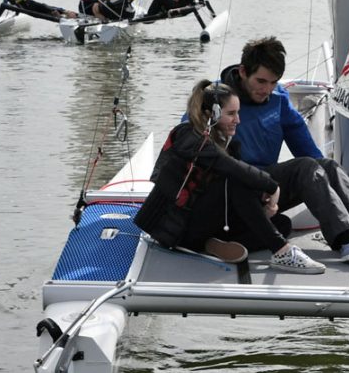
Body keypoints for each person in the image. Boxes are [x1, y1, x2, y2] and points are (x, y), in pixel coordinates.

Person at [220, 36, 349, 262]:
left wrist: (325, 177)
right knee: (305, 168)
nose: (267, 89)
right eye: (261, 81)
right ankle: (346, 241)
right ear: (243, 72)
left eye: (274, 82)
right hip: (234, 193)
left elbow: (306, 150)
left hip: (268, 190)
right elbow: (191, 146)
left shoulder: (278, 99)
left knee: (327, 165)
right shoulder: (217, 98)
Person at [133, 79, 326, 274]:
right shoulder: (188, 137)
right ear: (211, 114)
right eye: (231, 114)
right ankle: (281, 251)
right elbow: (231, 167)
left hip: (202, 222)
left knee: (282, 224)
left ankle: (209, 244)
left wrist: (260, 205)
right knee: (236, 179)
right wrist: (272, 187)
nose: (238, 120)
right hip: (175, 228)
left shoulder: (226, 142)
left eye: (238, 113)